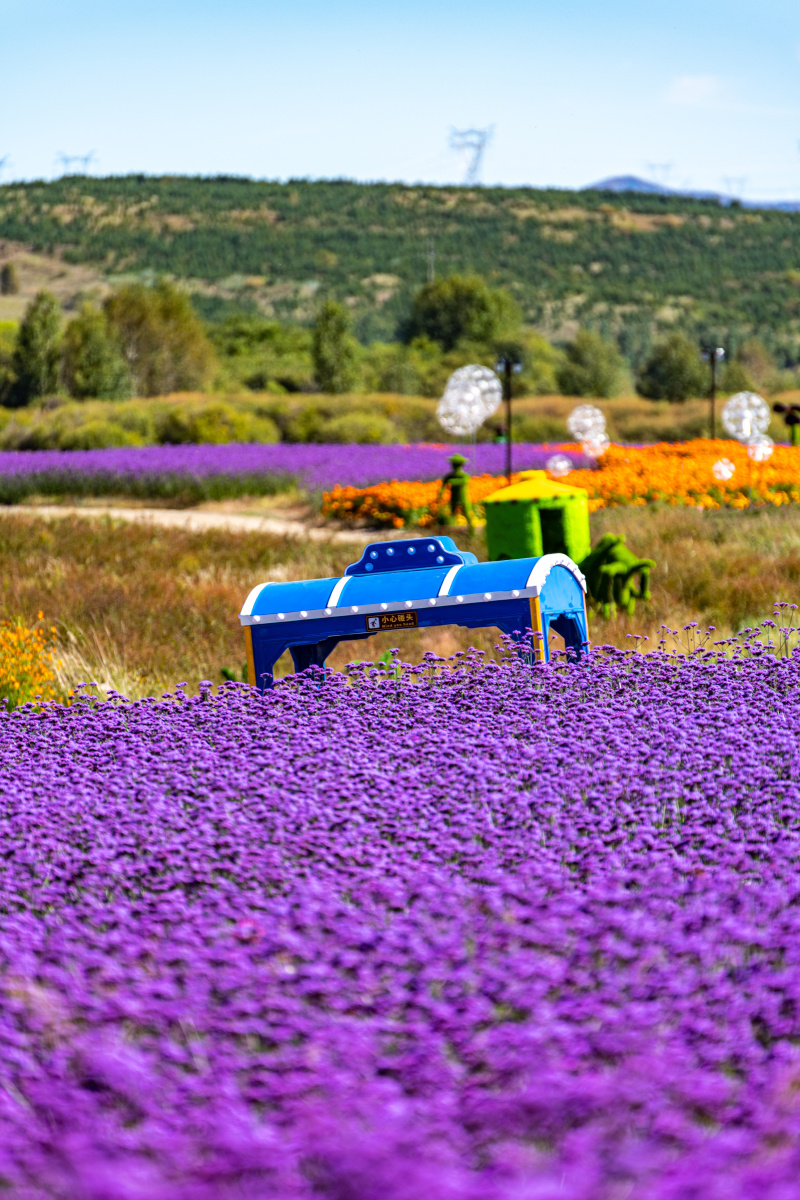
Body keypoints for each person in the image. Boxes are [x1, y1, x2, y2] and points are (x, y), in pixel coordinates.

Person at [435, 453, 474, 528]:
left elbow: (464, 481)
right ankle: (453, 529)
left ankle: (471, 529)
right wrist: (439, 496)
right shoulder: (449, 476)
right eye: (454, 464)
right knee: (453, 514)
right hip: (453, 498)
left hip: (463, 498)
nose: (454, 466)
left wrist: (452, 482)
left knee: (467, 513)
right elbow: (443, 486)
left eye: (456, 464)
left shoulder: (464, 475)